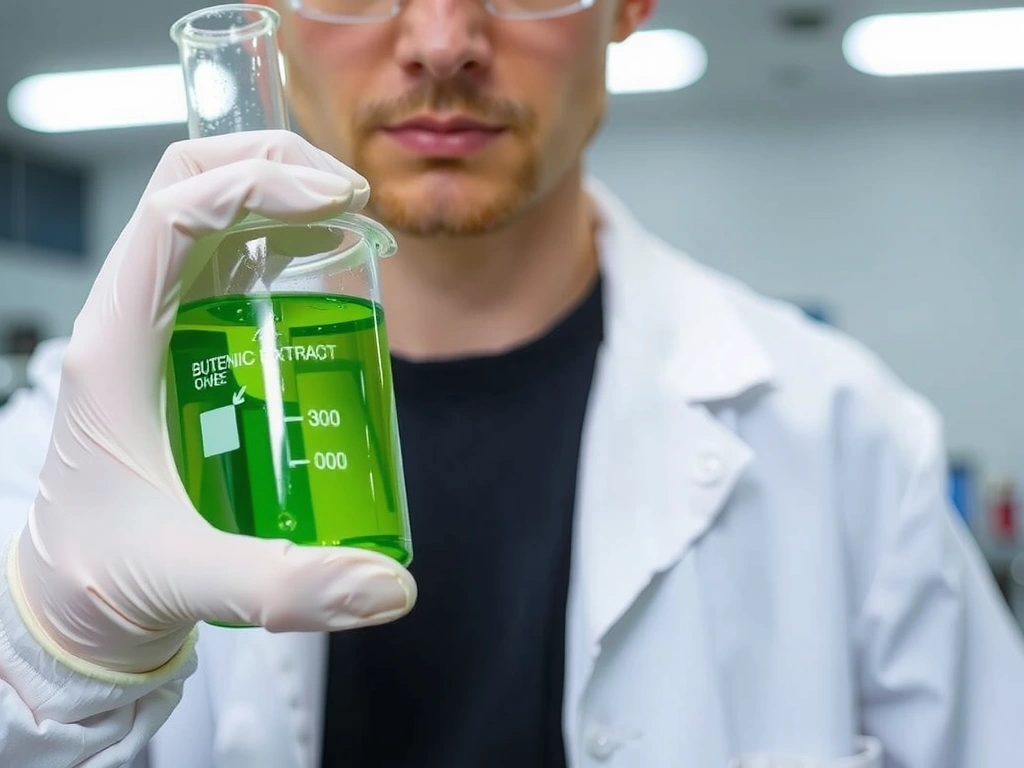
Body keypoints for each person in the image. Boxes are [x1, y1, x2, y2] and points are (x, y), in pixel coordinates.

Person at [1, 0, 1023, 766]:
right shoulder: (76, 441)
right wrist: (56, 660)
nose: (442, 39)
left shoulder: (845, 435)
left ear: (629, 8)